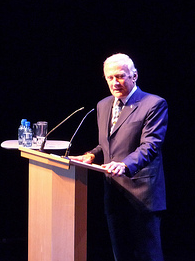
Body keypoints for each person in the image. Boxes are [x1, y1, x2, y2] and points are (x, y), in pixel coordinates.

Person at [72, 53, 168, 261]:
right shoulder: (103, 105)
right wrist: (91, 155)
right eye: (110, 78)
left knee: (147, 255)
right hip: (114, 194)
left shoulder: (154, 104)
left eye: (120, 76)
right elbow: (107, 144)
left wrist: (124, 165)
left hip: (141, 194)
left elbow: (150, 146)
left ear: (134, 76)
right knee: (121, 254)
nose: (115, 82)